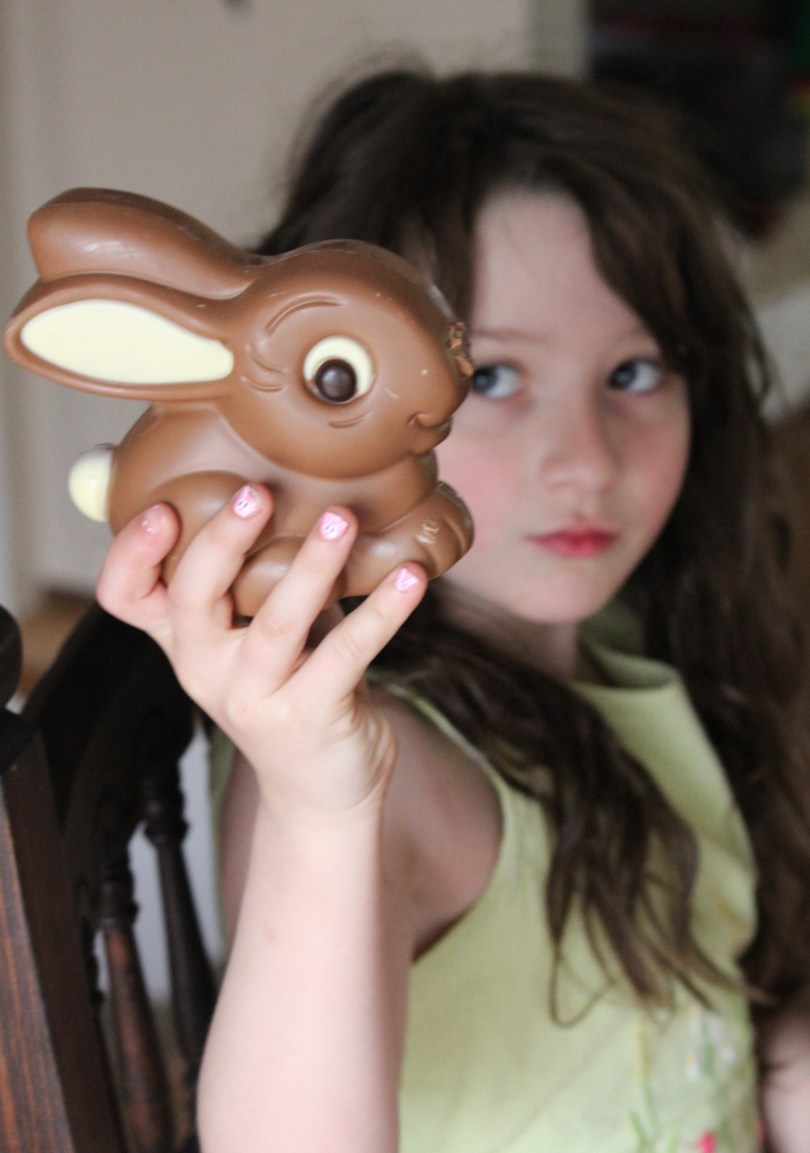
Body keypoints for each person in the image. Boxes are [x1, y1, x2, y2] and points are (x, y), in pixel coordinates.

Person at [96, 67, 810, 1152]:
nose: (585, 462)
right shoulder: (377, 772)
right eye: (490, 379)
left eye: (633, 373)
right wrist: (321, 802)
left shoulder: (628, 648)